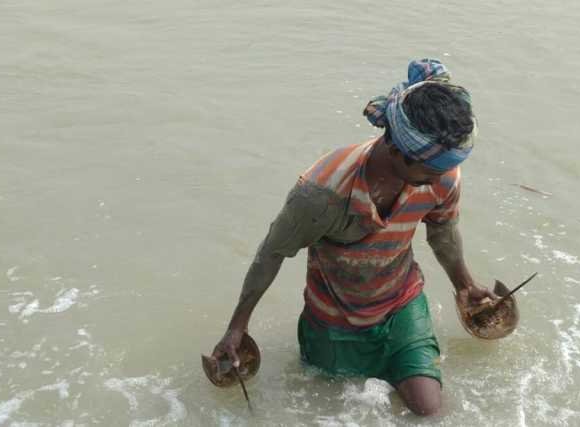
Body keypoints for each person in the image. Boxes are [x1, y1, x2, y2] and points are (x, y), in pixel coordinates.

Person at [209, 59, 495, 416]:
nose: (441, 178)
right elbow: (272, 254)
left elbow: (443, 231)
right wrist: (237, 328)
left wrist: (464, 285)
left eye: (444, 169)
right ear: (396, 149)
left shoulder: (442, 173)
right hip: (333, 321)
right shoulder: (321, 194)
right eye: (431, 171)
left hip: (400, 303)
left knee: (428, 409)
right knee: (328, 409)